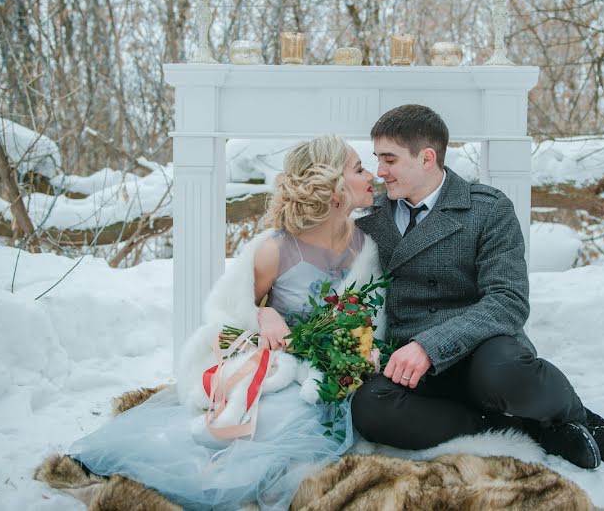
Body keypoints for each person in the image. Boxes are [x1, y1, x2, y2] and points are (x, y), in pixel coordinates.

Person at [68, 135, 381, 510]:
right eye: (360, 169)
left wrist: (358, 351)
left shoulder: (367, 246)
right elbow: (226, 321)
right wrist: (262, 316)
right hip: (278, 371)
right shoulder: (275, 249)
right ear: (333, 187)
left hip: (332, 375)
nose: (372, 176)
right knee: (264, 434)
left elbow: (370, 319)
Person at [351, 104, 604, 474]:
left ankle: (579, 417)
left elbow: (507, 300)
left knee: (506, 372)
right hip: (410, 362)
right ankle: (521, 429)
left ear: (427, 158)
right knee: (368, 408)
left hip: (482, 348)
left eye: (389, 159)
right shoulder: (369, 219)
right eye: (377, 159)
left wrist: (431, 346)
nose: (379, 171)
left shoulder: (487, 209)